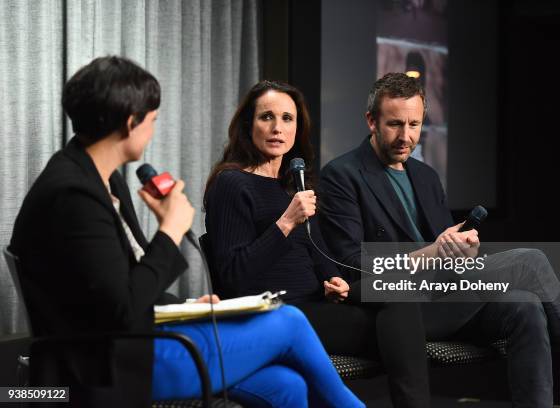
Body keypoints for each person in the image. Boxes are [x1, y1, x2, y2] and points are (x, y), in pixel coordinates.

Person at [9, 56, 364, 408]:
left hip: (137, 341)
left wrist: (187, 306)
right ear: (131, 122)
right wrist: (170, 231)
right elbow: (121, 310)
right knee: (288, 320)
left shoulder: (101, 178)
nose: (152, 130)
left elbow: (116, 287)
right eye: (152, 120)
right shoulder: (74, 195)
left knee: (286, 386)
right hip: (108, 365)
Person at [318, 72, 560, 407]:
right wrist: (434, 251)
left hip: (446, 294)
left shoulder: (426, 176)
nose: (406, 136)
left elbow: (450, 257)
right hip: (401, 310)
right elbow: (355, 269)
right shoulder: (341, 175)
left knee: (526, 306)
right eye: (394, 124)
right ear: (371, 121)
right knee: (531, 260)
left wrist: (464, 252)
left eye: (414, 125)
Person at [204, 80, 430, 407]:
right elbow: (233, 276)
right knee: (400, 315)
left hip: (318, 307)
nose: (277, 128)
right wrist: (285, 223)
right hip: (277, 316)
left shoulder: (291, 185)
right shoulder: (231, 183)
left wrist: (333, 282)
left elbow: (318, 252)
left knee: (395, 295)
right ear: (247, 125)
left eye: (287, 118)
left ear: (298, 128)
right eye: (267, 117)